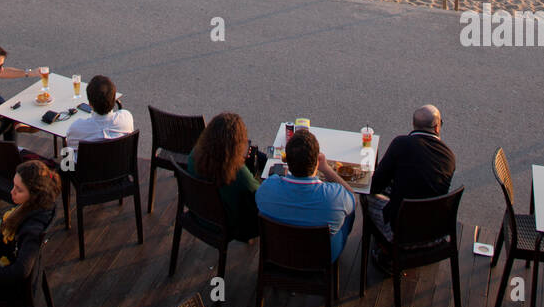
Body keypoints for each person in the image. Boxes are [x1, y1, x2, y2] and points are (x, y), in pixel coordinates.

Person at [367, 104, 456, 269]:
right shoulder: (449, 156)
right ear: (437, 127)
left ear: (413, 124)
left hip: (401, 233)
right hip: (435, 232)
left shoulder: (401, 144)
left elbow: (375, 185)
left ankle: (385, 249)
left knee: (366, 195)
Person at [0, 160, 60, 300]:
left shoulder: (33, 229)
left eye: (18, 189)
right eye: (14, 185)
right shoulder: (31, 204)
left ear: (34, 195)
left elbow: (21, 271)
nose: (12, 192)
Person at [255, 128, 356, 261]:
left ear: (287, 162)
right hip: (320, 258)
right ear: (317, 161)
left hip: (279, 253)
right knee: (348, 213)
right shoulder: (336, 197)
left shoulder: (266, 189)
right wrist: (325, 168)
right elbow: (352, 197)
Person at [187, 112, 260, 242]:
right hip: (229, 225)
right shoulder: (238, 174)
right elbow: (258, 195)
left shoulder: (194, 156)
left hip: (199, 214)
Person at [64, 74, 133, 154]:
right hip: (121, 165)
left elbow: (70, 146)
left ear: (90, 104)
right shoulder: (126, 118)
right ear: (114, 100)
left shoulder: (76, 128)